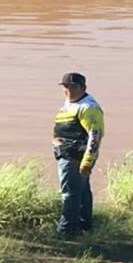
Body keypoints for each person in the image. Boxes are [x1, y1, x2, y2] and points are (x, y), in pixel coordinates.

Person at [53, 72, 104, 236]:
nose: (68, 90)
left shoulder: (88, 107)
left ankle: (66, 230)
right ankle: (84, 226)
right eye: (66, 86)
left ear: (83, 88)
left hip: (76, 157)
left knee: (69, 194)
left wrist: (87, 162)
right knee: (81, 191)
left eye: (72, 86)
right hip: (66, 154)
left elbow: (95, 135)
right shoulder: (70, 104)